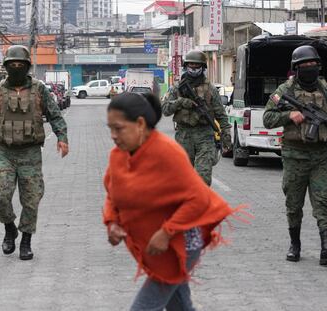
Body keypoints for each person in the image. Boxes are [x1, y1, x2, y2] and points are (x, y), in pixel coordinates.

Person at [103, 92, 244, 310]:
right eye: (110, 128)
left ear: (140, 124)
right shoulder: (118, 155)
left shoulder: (168, 153)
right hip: (156, 245)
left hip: (181, 243)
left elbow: (198, 199)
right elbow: (112, 194)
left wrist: (166, 232)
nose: (113, 135)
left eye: (118, 128)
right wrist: (112, 222)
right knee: (180, 306)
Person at [0, 45, 69, 260]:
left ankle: (26, 240)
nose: (16, 67)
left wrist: (62, 137)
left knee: (31, 199)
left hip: (30, 153)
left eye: (20, 64)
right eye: (12, 64)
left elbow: (55, 115)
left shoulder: (40, 90)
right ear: (7, 66)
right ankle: (10, 229)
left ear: (27, 66)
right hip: (5, 153)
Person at [263, 45, 327, 265]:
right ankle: (295, 244)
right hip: (294, 154)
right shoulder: (284, 90)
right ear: (296, 68)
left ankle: (326, 248)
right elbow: (267, 118)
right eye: (304, 65)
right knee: (293, 203)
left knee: (324, 201)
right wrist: (289, 115)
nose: (309, 68)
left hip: (320, 155)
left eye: (313, 65)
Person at [162, 50, 232, 186]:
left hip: (205, 135)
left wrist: (226, 133)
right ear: (186, 66)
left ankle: (201, 205)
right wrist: (180, 102)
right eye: (191, 66)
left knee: (203, 178)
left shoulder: (210, 89)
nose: (193, 69)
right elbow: (165, 110)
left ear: (203, 67)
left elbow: (221, 115)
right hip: (184, 135)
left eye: (197, 66)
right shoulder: (176, 88)